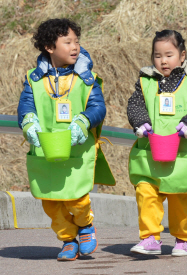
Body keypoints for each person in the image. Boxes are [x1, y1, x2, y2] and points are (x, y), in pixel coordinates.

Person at [17, 18, 114, 261]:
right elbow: (26, 104)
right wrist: (28, 120)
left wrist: (83, 121)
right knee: (50, 201)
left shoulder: (87, 78)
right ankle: (67, 239)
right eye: (67, 42)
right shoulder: (34, 79)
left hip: (77, 150)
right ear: (49, 47)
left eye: (77, 42)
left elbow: (98, 108)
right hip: (45, 150)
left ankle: (85, 225)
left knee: (76, 197)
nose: (75, 47)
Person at [127, 30, 187, 256]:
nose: (163, 61)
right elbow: (135, 104)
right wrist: (140, 122)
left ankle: (183, 238)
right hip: (151, 152)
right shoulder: (145, 80)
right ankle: (150, 238)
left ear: (182, 55)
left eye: (168, 55)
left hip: (184, 154)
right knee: (146, 193)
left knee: (182, 199)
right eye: (157, 56)